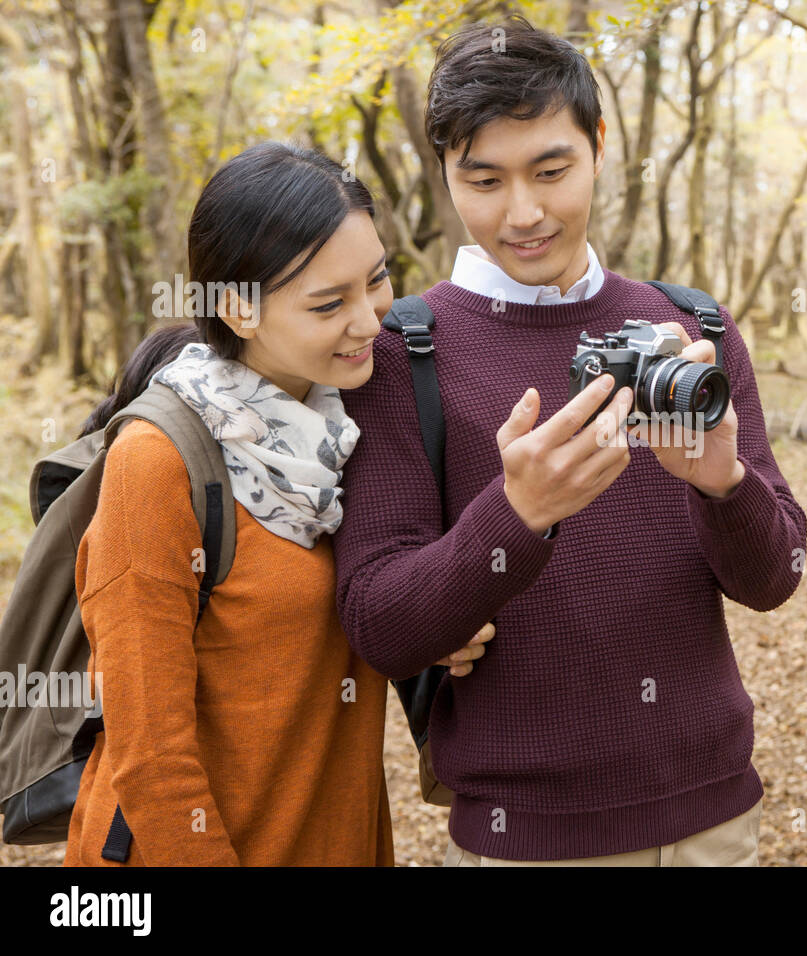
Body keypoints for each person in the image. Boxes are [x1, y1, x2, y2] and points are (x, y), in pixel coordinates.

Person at [333, 16, 807, 866]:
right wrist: (516, 514)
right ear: (445, 173)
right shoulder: (404, 353)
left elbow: (775, 580)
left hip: (715, 820)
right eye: (484, 180)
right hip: (527, 840)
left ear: (597, 144)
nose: (524, 213)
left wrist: (723, 484)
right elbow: (379, 620)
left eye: (551, 171)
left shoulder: (689, 328)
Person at [63, 142, 491, 866]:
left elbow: (337, 618)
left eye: (378, 280)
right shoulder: (158, 464)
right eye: (329, 302)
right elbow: (149, 758)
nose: (369, 319)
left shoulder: (348, 429)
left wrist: (424, 627)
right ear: (237, 308)